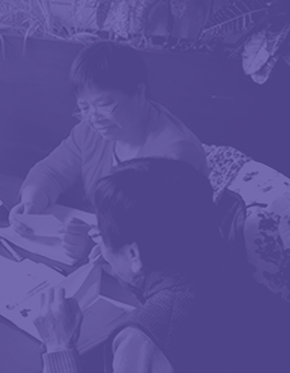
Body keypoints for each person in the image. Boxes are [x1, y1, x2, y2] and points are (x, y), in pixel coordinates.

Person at [33, 158, 241, 373]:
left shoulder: (145, 338)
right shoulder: (228, 265)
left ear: (134, 253)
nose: (102, 247)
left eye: (103, 237)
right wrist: (129, 271)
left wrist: (59, 347)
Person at [11, 41, 207, 260]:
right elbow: (52, 171)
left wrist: (96, 249)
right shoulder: (90, 130)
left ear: (139, 92)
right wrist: (31, 204)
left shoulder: (173, 155)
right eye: (84, 107)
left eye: (105, 105)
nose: (94, 118)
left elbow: (163, 243)